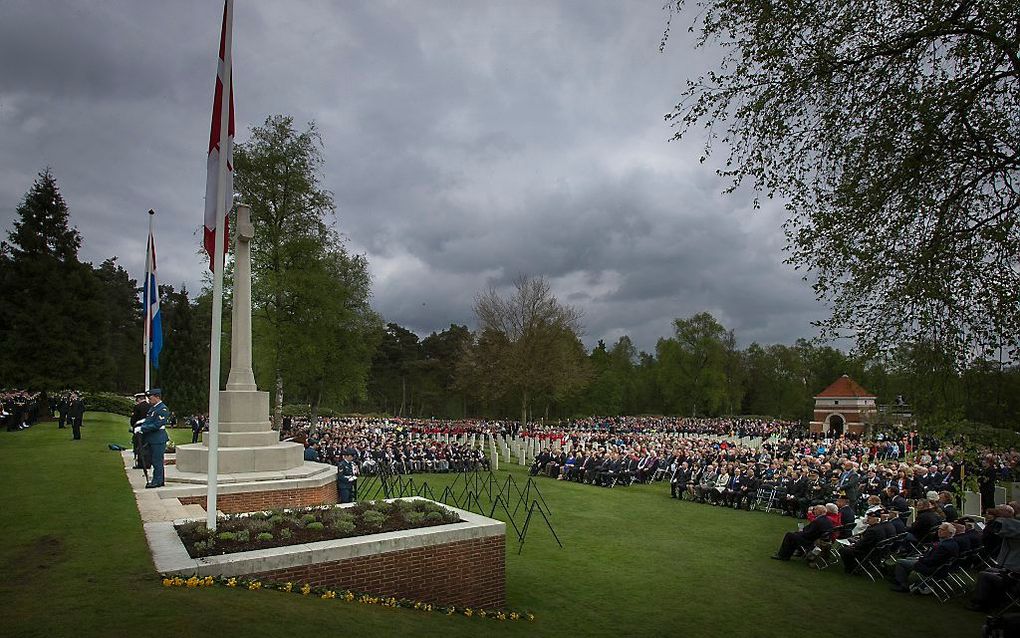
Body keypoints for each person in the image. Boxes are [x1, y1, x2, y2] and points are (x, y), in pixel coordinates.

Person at [890, 522, 959, 592]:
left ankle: (903, 585)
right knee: (908, 558)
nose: (939, 531)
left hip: (930, 568)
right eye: (939, 529)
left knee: (900, 562)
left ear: (950, 533)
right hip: (938, 567)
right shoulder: (952, 543)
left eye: (943, 530)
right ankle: (900, 577)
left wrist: (920, 559)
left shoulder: (944, 546)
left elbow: (931, 561)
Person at [134, 388, 170, 488]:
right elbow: (149, 420)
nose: (149, 400)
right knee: (155, 460)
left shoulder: (162, 409)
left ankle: (157, 481)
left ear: (157, 397)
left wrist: (143, 428)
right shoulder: (153, 408)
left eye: (151, 398)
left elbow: (157, 424)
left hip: (158, 439)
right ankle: (159, 480)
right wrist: (140, 424)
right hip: (152, 438)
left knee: (157, 461)